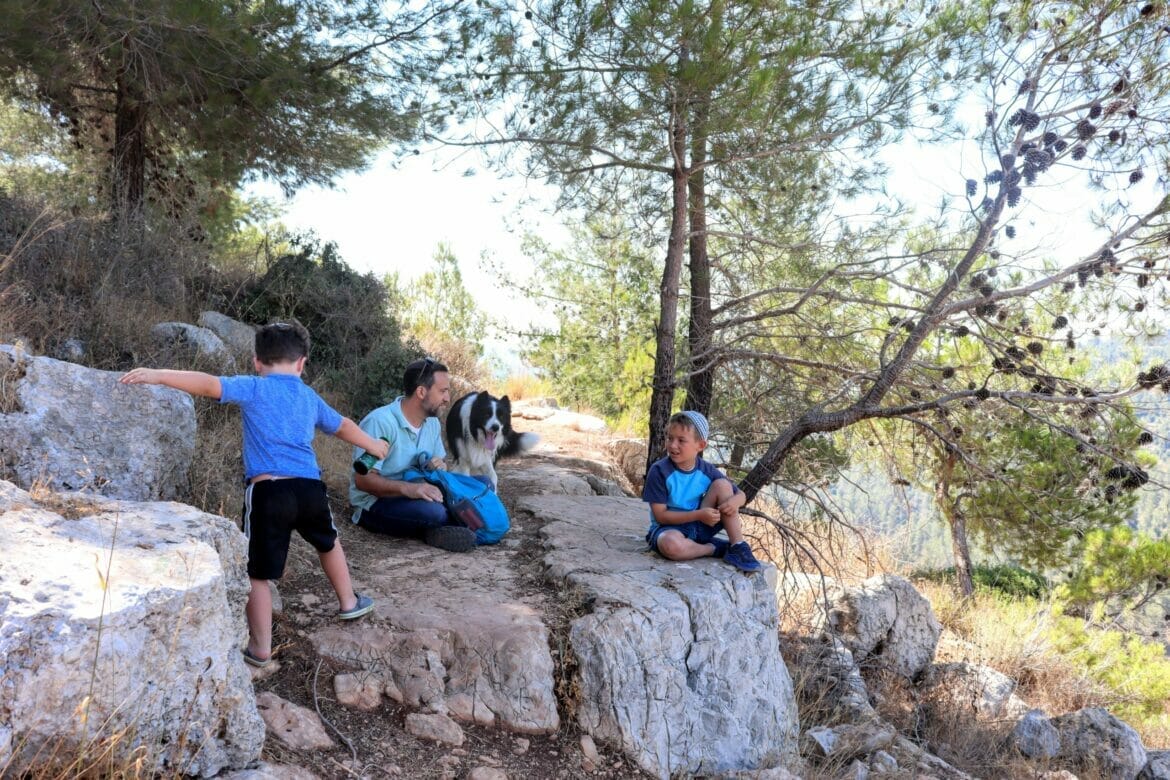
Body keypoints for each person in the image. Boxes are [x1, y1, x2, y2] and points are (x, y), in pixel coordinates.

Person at [120, 321, 388, 668]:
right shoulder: (309, 396)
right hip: (309, 489)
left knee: (257, 572)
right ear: (302, 364)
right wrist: (375, 446)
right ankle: (349, 602)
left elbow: (207, 384)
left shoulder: (254, 387)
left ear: (257, 362)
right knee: (329, 542)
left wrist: (158, 374)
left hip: (268, 491)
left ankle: (261, 648)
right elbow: (344, 426)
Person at [349, 357, 478, 553]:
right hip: (375, 503)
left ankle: (454, 524)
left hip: (419, 491)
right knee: (434, 513)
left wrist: (440, 465)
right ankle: (440, 528)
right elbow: (363, 481)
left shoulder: (432, 422)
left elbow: (438, 464)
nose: (447, 398)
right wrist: (410, 489)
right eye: (443, 391)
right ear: (421, 392)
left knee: (482, 483)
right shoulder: (381, 422)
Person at [642, 410, 763, 573]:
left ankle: (737, 546)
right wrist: (699, 515)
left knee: (722, 485)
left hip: (700, 525)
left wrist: (735, 502)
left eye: (681, 440)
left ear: (700, 445)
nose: (672, 445)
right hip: (668, 528)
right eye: (669, 438)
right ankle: (713, 549)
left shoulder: (705, 469)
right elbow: (661, 516)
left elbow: (740, 494)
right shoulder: (660, 471)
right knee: (670, 545)